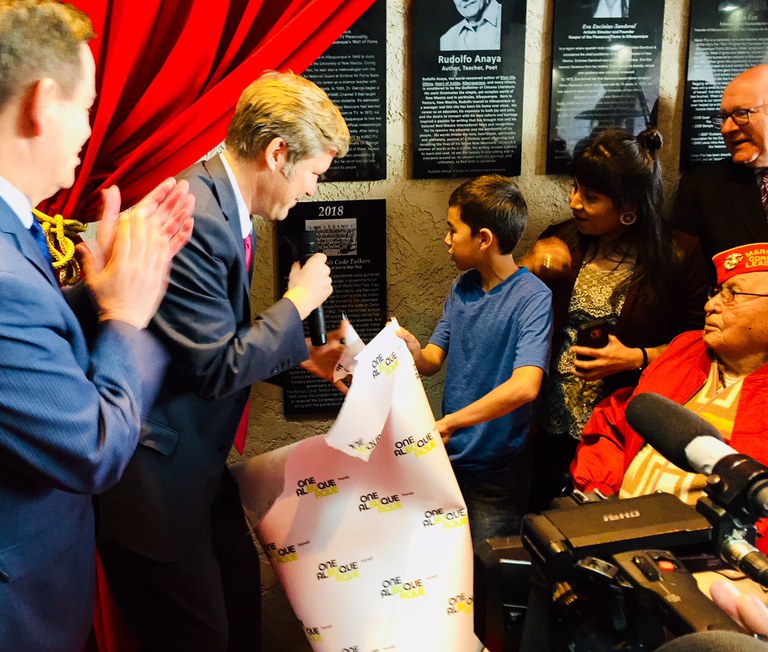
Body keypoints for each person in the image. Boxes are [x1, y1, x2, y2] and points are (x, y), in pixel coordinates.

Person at [97, 71, 350, 652]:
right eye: (313, 173)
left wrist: (304, 357)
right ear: (278, 154)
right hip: (154, 486)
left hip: (199, 474)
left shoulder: (226, 206)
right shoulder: (201, 216)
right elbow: (214, 367)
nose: (313, 190)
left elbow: (209, 340)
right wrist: (298, 302)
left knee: (239, 610)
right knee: (203, 636)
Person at [0, 2, 195, 651]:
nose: (89, 129)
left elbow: (27, 357)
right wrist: (127, 318)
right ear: (42, 103)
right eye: (85, 107)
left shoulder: (16, 225)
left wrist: (96, 295)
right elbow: (91, 448)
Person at [521, 128, 708, 512]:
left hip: (620, 425)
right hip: (547, 420)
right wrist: (525, 267)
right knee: (540, 518)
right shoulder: (561, 239)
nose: (574, 203)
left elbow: (701, 346)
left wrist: (638, 357)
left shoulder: (679, 256)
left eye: (590, 197)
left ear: (629, 208)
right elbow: (512, 312)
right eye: (574, 188)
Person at [570, 243, 768, 540]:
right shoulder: (687, 349)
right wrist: (599, 494)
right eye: (716, 293)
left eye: (732, 294)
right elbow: (617, 422)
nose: (710, 305)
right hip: (613, 528)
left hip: (712, 564)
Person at [397, 175, 553, 550]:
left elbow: (525, 386)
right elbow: (433, 360)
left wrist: (451, 421)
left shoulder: (533, 297)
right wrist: (412, 350)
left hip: (498, 470)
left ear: (484, 239)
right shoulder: (460, 288)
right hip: (451, 461)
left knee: (493, 579)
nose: (447, 240)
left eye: (453, 230)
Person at [671, 65, 768, 269]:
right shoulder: (702, 187)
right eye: (723, 117)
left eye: (741, 114)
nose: (726, 128)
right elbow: (684, 278)